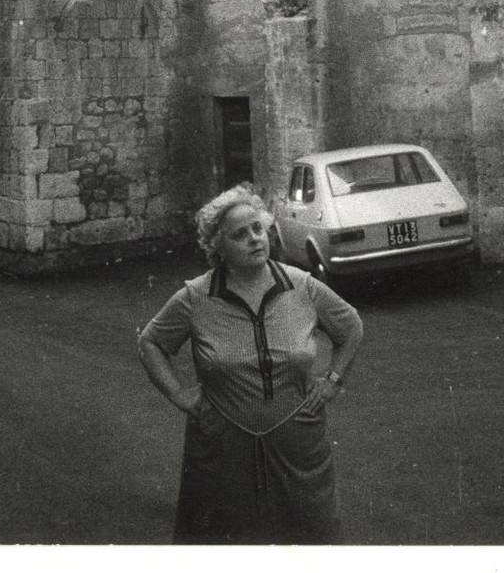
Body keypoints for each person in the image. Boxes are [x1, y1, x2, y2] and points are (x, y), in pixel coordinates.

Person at [137, 182, 363, 544]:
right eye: (239, 234)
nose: (254, 239)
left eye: (257, 228)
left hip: (299, 448)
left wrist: (333, 380)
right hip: (222, 452)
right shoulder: (195, 297)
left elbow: (350, 326)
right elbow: (150, 342)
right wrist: (179, 395)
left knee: (310, 543)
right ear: (218, 247)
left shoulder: (302, 286)